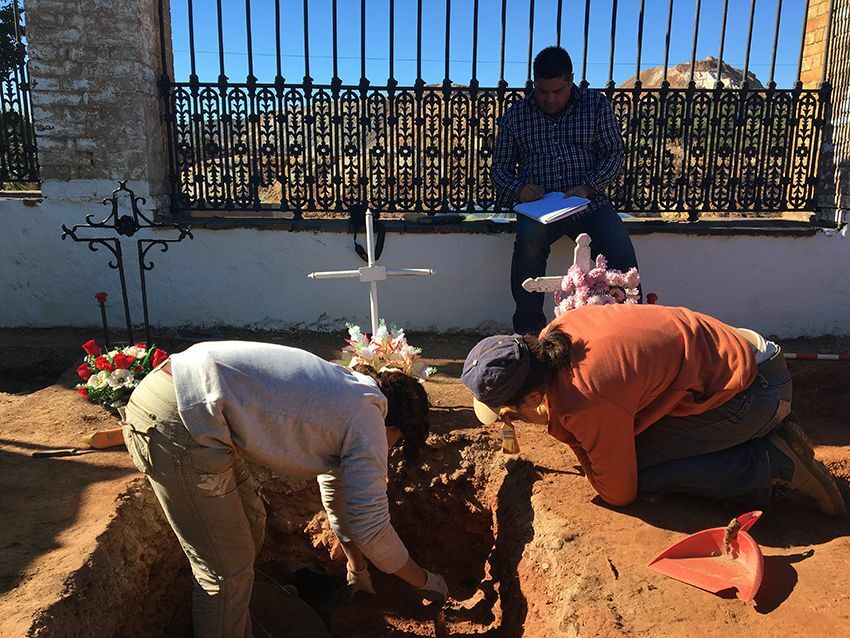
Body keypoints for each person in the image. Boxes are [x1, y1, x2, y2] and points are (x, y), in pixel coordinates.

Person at [121, 341, 449, 638]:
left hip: (191, 402)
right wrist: (425, 581)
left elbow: (340, 502)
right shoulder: (368, 420)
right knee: (224, 574)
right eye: (397, 444)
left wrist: (357, 568)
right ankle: (227, 617)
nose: (388, 450)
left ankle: (239, 615)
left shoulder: (351, 397)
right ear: (397, 428)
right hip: (182, 419)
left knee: (251, 521)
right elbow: (372, 527)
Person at [460, 304, 845, 517]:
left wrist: (562, 428)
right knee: (623, 448)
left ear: (530, 399)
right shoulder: (562, 329)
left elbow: (617, 493)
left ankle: (769, 462)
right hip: (745, 360)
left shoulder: (585, 398)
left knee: (637, 472)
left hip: (756, 393)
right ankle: (763, 435)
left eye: (512, 411)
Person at [491, 45, 640, 335]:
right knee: (528, 248)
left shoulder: (595, 106)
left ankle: (629, 329)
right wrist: (519, 190)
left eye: (557, 91)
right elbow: (499, 168)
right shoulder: (516, 116)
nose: (549, 98)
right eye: (542, 91)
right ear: (534, 83)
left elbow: (614, 154)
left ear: (570, 80)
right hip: (540, 209)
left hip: (589, 203)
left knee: (621, 254)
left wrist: (589, 187)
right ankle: (530, 334)